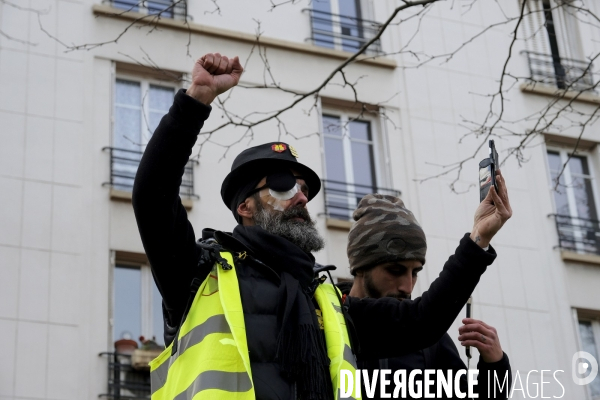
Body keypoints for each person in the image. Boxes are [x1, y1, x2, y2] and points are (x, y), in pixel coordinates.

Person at [132, 52, 512, 400]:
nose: (300, 196)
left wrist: (478, 239)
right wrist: (195, 101)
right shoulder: (201, 274)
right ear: (244, 206)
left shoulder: (328, 301)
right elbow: (153, 196)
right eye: (283, 185)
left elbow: (422, 322)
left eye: (304, 188)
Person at [339, 193, 512, 399]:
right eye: (395, 270)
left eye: (415, 272)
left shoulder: (430, 341)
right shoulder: (323, 318)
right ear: (360, 268)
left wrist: (495, 366)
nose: (407, 286)